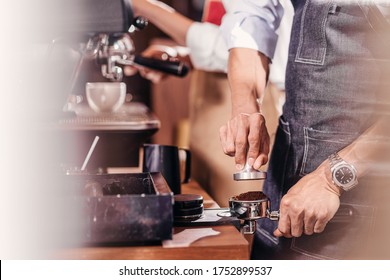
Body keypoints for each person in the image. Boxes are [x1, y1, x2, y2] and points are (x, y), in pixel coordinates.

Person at [219, 0, 390, 259]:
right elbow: (253, 13)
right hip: (282, 179)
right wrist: (246, 104)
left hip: (358, 209)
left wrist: (332, 178)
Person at [129, 0, 292, 205]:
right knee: (210, 204)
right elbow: (227, 42)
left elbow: (250, 39)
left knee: (240, 220)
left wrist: (143, 7)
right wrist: (185, 56)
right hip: (212, 106)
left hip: (252, 98)